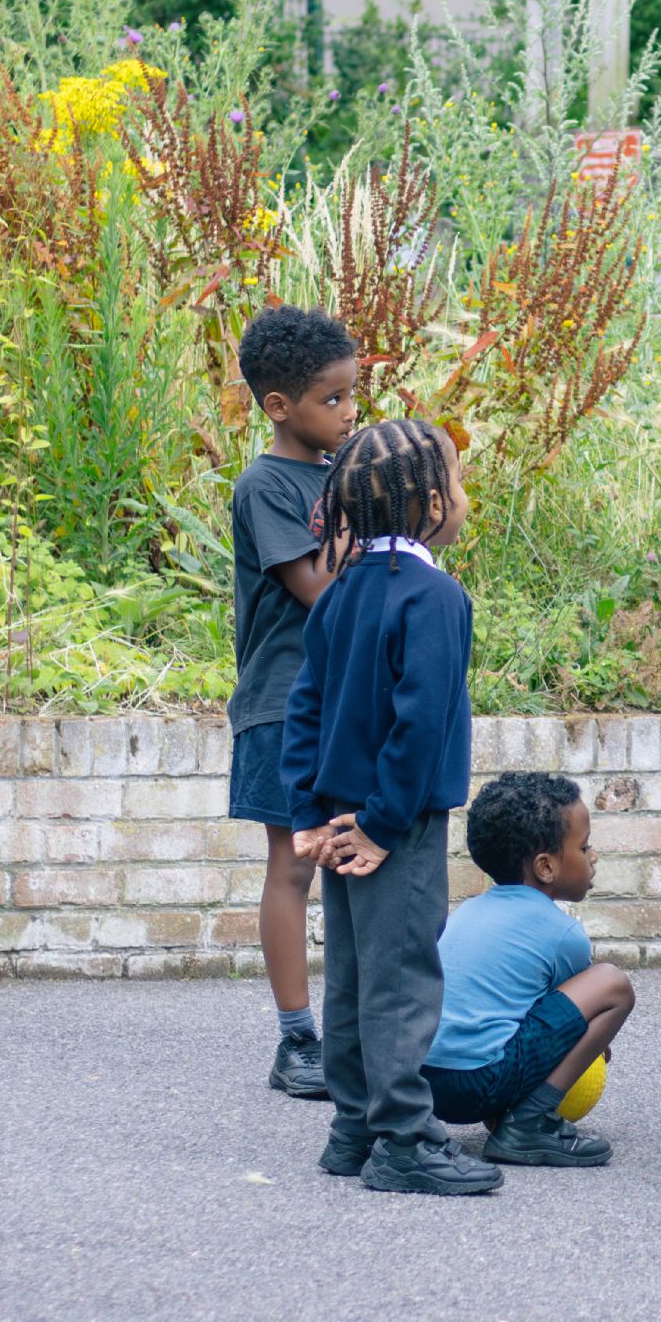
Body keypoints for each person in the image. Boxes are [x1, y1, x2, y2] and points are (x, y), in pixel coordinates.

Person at [280, 418, 503, 1197]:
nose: (465, 498)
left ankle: (354, 1128)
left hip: (339, 813)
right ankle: (403, 1138)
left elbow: (305, 706)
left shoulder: (339, 593)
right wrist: (379, 825)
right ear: (428, 501)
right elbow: (422, 720)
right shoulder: (436, 596)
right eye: (459, 484)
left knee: (351, 973)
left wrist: (309, 810)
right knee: (403, 976)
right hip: (390, 825)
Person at [226, 306, 359, 1101]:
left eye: (352, 398)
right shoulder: (267, 484)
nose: (349, 414)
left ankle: (354, 1029)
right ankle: (296, 1040)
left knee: (353, 857)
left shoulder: (346, 470)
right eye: (332, 400)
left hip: (348, 702)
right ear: (280, 407)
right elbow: (316, 589)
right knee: (294, 866)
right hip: (285, 702)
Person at [424, 772, 637, 1168]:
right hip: (478, 1082)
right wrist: (599, 1048)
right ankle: (528, 1124)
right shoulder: (563, 934)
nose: (594, 857)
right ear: (545, 867)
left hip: (426, 1084)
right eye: (584, 847)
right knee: (613, 984)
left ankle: (508, 1117)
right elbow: (575, 1023)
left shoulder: (467, 910)